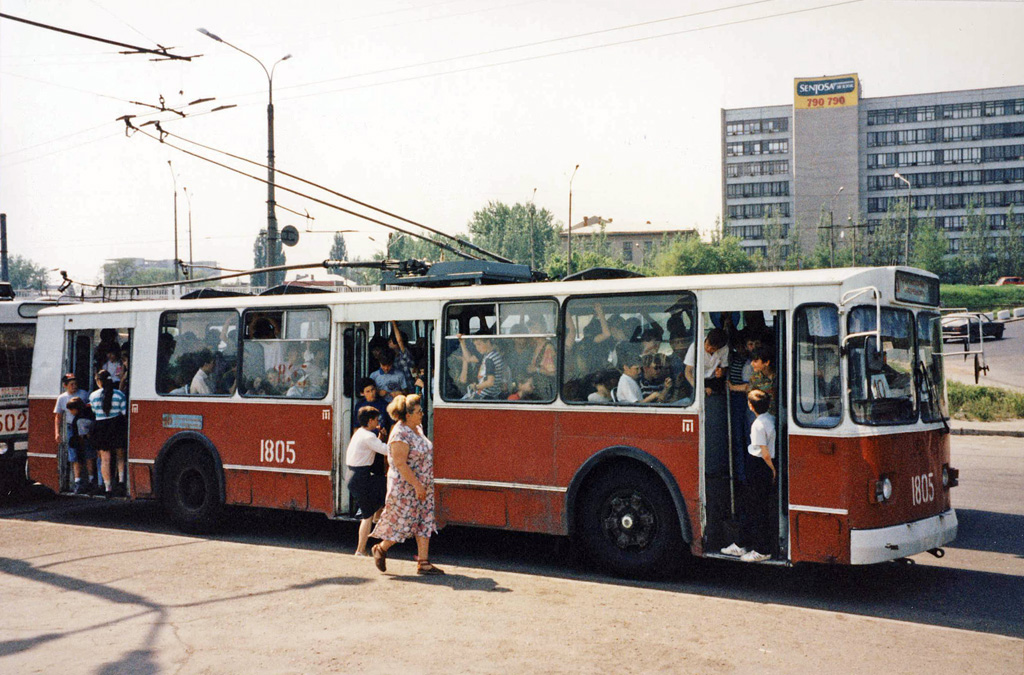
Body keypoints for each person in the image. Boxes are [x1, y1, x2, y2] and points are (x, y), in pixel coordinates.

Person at [370, 394, 444, 575]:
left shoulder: (417, 428)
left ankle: (424, 562)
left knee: (424, 521)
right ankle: (380, 548)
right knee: (403, 524)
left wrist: (423, 485)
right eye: (418, 411)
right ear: (408, 414)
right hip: (406, 488)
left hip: (423, 484)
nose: (422, 414)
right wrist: (417, 485)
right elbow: (400, 464)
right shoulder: (399, 433)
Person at [721, 389, 777, 563]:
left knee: (755, 508)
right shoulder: (771, 419)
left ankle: (761, 549)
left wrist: (772, 469)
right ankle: (742, 544)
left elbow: (764, 452)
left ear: (750, 406)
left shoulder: (757, 425)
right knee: (754, 506)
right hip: (763, 466)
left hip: (759, 465)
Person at [346, 406, 390, 557]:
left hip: (354, 475)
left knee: (382, 488)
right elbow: (386, 450)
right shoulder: (368, 437)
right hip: (361, 477)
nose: (378, 422)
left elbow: (374, 447)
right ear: (370, 420)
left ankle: (378, 515)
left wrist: (380, 437)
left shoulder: (360, 433)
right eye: (376, 420)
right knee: (367, 516)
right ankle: (360, 550)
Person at [89, 370, 128, 498]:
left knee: (105, 459)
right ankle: (121, 482)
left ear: (99, 381)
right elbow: (123, 412)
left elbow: (94, 412)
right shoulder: (120, 394)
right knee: (120, 456)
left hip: (100, 427)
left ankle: (107, 488)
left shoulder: (93, 396)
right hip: (116, 425)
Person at [684, 328, 729, 396]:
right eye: (707, 345)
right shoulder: (695, 346)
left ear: (719, 348)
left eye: (713, 349)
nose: (708, 349)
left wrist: (721, 372)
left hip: (713, 380)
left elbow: (724, 367)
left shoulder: (724, 349)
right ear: (706, 339)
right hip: (694, 380)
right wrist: (699, 388)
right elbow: (688, 372)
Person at [463, 334, 509, 400]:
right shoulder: (494, 354)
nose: (477, 348)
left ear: (488, 342)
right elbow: (468, 359)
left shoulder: (489, 359)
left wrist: (475, 387)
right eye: (475, 345)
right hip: (494, 393)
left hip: (485, 395)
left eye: (479, 344)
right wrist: (462, 342)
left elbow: (490, 382)